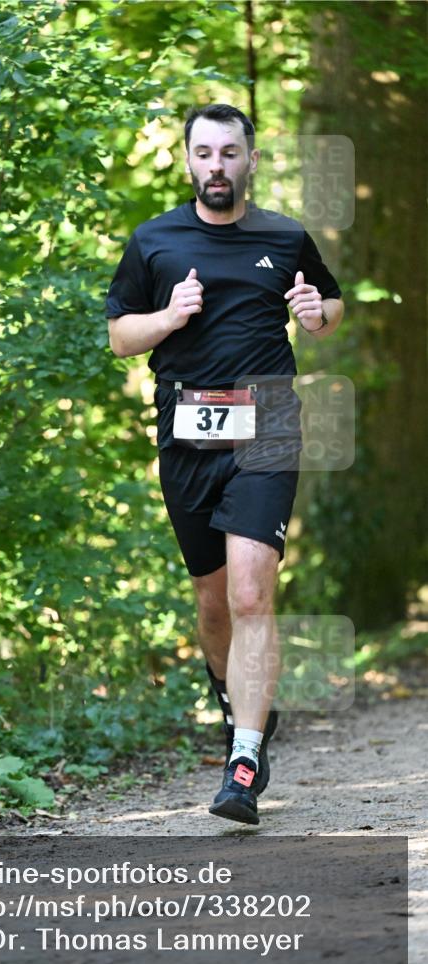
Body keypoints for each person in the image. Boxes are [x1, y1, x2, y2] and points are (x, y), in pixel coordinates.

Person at [105, 103, 344, 825]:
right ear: (187, 162)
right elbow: (121, 336)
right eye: (204, 153)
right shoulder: (153, 242)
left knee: (248, 595)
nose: (217, 166)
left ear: (251, 160)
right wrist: (170, 316)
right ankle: (234, 700)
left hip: (266, 420)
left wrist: (315, 314)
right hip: (185, 430)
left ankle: (243, 762)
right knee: (213, 602)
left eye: (229, 153)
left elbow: (328, 303)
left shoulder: (283, 235)